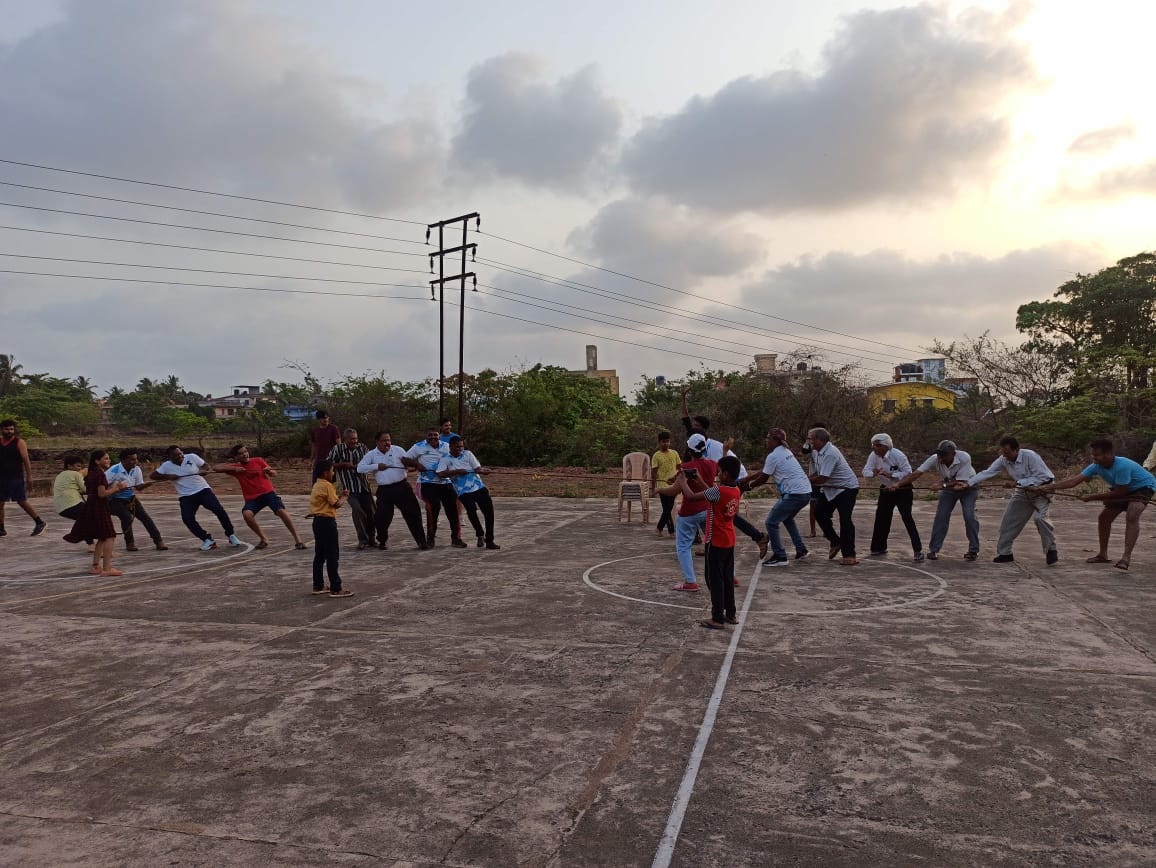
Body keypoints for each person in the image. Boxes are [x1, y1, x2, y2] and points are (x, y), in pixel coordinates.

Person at [1034, 438, 1156, 571]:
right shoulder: (1096, 466)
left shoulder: (1123, 465)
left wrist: (1093, 497)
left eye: (1096, 455)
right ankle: (1103, 555)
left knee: (1132, 515)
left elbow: (1121, 492)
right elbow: (1073, 482)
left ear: (1108, 454)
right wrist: (1049, 487)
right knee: (1103, 518)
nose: (1094, 458)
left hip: (1143, 487)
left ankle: (1126, 558)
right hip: (1122, 489)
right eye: (1093, 454)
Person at [673, 455, 742, 629]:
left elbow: (691, 496)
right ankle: (731, 613)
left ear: (725, 474)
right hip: (729, 540)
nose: (717, 475)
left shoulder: (718, 491)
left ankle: (717, 617)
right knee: (726, 578)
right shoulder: (734, 490)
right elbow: (710, 494)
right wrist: (700, 479)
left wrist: (682, 482)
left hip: (715, 541)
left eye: (719, 472)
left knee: (714, 579)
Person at [968, 436, 1058, 565]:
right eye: (1003, 453)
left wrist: (1017, 482)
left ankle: (1051, 549)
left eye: (1008, 453)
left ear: (1017, 450)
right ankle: (1005, 553)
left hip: (1043, 490)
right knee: (1009, 521)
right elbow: (989, 472)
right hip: (1023, 492)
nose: (1005, 456)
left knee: (1040, 519)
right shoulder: (1003, 459)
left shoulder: (1030, 456)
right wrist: (969, 483)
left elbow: (1043, 476)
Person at [890, 440, 980, 561]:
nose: (940, 458)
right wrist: (898, 484)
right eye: (939, 454)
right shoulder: (935, 458)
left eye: (943, 455)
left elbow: (961, 481)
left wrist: (942, 485)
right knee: (941, 517)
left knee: (969, 516)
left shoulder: (964, 457)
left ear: (953, 454)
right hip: (949, 487)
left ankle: (973, 549)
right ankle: (934, 549)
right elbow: (917, 473)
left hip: (968, 487)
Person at [739, 428, 812, 566]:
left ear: (776, 441)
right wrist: (747, 479)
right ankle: (801, 549)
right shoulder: (785, 452)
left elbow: (763, 478)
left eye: (768, 438)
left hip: (794, 494)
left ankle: (780, 556)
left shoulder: (773, 456)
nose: (767, 441)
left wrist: (748, 486)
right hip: (805, 492)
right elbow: (765, 470)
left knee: (771, 522)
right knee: (787, 518)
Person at [213, 445, 305, 550]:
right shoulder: (235, 468)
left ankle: (298, 539)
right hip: (252, 498)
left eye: (246, 451)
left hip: (268, 493)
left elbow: (274, 473)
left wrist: (269, 471)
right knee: (247, 514)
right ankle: (264, 539)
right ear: (236, 457)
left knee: (281, 511)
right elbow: (216, 468)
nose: (245, 454)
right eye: (241, 453)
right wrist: (234, 468)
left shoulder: (258, 460)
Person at [151, 445, 241, 551]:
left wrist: (204, 471)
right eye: (176, 456)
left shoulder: (192, 457)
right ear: (170, 457)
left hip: (203, 490)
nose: (180, 457)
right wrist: (168, 476)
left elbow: (206, 466)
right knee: (187, 519)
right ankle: (207, 540)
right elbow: (153, 476)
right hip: (186, 496)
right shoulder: (166, 466)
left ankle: (231, 534)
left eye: (180, 453)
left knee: (219, 510)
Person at [660, 433, 718, 592]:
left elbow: (674, 490)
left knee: (683, 547)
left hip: (689, 512)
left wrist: (659, 489)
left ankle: (691, 581)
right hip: (707, 509)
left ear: (689, 449)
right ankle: (730, 575)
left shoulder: (685, 467)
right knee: (715, 544)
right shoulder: (713, 464)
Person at [356, 431, 428, 550]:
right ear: (377, 442)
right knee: (381, 518)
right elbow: (360, 468)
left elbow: (407, 462)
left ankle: (421, 541)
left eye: (389, 440)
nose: (387, 443)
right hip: (385, 490)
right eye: (384, 440)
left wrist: (414, 465)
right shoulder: (372, 454)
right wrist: (376, 466)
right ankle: (382, 541)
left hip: (402, 487)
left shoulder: (398, 450)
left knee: (413, 514)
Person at [63, 449, 128, 576]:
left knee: (102, 537)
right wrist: (117, 489)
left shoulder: (91, 473)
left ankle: (95, 566)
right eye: (105, 458)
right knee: (110, 536)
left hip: (91, 505)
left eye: (108, 458)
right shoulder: (99, 474)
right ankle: (107, 568)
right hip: (99, 506)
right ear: (97, 461)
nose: (108, 461)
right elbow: (102, 494)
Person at [862, 434, 924, 561]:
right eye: (873, 445)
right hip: (886, 488)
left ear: (886, 446)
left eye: (878, 445)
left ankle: (917, 550)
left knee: (907, 517)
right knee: (881, 517)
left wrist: (892, 475)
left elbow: (907, 472)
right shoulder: (873, 456)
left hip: (903, 489)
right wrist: (872, 473)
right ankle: (878, 547)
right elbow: (865, 471)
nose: (874, 448)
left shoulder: (898, 455)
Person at [404, 427, 465, 548]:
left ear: (439, 435)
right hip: (427, 483)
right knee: (434, 506)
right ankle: (430, 538)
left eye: (435, 435)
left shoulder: (446, 446)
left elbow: (458, 457)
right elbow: (404, 458)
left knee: (453, 508)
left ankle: (456, 538)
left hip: (445, 482)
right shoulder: (418, 446)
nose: (433, 437)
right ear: (426, 436)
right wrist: (417, 464)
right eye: (430, 435)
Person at [807, 427, 860, 566]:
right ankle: (835, 542)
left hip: (846, 489)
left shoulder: (830, 453)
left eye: (811, 438)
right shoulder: (815, 452)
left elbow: (823, 478)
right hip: (831, 489)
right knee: (819, 513)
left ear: (820, 440)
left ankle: (850, 555)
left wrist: (803, 481)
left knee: (845, 520)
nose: (809, 441)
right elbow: (815, 474)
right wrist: (804, 478)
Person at [436, 435, 500, 549]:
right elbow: (440, 473)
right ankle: (480, 533)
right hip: (463, 491)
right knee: (471, 511)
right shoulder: (445, 458)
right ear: (450, 447)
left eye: (461, 446)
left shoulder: (468, 454)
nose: (460, 449)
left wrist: (484, 471)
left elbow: (477, 469)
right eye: (457, 447)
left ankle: (490, 540)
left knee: (489, 513)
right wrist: (456, 472)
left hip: (478, 486)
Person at [106, 448, 167, 551]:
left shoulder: (136, 469)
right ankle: (130, 543)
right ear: (123, 460)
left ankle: (159, 541)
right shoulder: (113, 471)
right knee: (126, 517)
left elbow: (138, 487)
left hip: (131, 498)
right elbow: (102, 487)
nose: (135, 462)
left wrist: (145, 485)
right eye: (132, 460)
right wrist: (116, 488)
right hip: (114, 500)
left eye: (136, 459)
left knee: (145, 518)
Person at [309, 459, 353, 597]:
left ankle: (318, 585)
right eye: (332, 471)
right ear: (325, 472)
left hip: (317, 522)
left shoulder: (317, 484)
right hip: (327, 523)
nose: (333, 473)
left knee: (320, 555)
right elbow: (336, 504)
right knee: (332, 555)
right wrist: (345, 497)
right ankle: (336, 587)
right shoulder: (327, 485)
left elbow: (326, 501)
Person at [328, 428, 376, 550]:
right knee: (357, 511)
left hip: (364, 486)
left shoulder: (363, 448)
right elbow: (328, 464)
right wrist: (342, 465)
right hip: (349, 488)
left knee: (371, 513)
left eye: (356, 438)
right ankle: (362, 539)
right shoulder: (338, 449)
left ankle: (372, 538)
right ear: (345, 440)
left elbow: (372, 461)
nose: (355, 441)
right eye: (352, 439)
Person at [0, 419, 46, 536]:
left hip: (16, 477)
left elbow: (26, 460)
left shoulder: (19, 442)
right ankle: (1, 528)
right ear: (2, 430)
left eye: (11, 429)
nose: (9, 431)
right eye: (7, 429)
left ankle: (39, 522)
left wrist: (30, 476)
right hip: (2, 477)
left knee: (21, 501)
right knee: (0, 503)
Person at [52, 454, 91, 547]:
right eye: (77, 466)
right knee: (91, 516)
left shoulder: (60, 475)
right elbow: (85, 489)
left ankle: (85, 540)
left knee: (85, 520)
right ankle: (76, 535)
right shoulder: (76, 474)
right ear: (69, 466)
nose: (79, 468)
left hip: (61, 508)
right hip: (72, 503)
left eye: (81, 467)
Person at [679, 390, 725, 461]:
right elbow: (685, 416)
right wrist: (683, 398)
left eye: (697, 425)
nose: (694, 427)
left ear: (704, 428)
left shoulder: (708, 445)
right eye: (694, 425)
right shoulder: (692, 433)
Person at [651, 431, 681, 537]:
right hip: (662, 486)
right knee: (667, 509)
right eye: (663, 442)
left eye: (668, 441)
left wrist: (677, 479)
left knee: (668, 508)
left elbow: (679, 468)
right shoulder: (656, 456)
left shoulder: (674, 453)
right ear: (659, 442)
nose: (666, 444)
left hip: (673, 486)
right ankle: (671, 531)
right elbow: (653, 473)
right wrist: (653, 487)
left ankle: (660, 528)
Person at [309, 410, 341, 482]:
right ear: (319, 419)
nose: (325, 420)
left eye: (327, 418)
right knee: (316, 483)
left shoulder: (333, 429)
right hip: (318, 461)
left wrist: (339, 458)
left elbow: (339, 444)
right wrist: (311, 460)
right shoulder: (315, 431)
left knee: (330, 484)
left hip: (330, 461)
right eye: (323, 418)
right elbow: (314, 446)